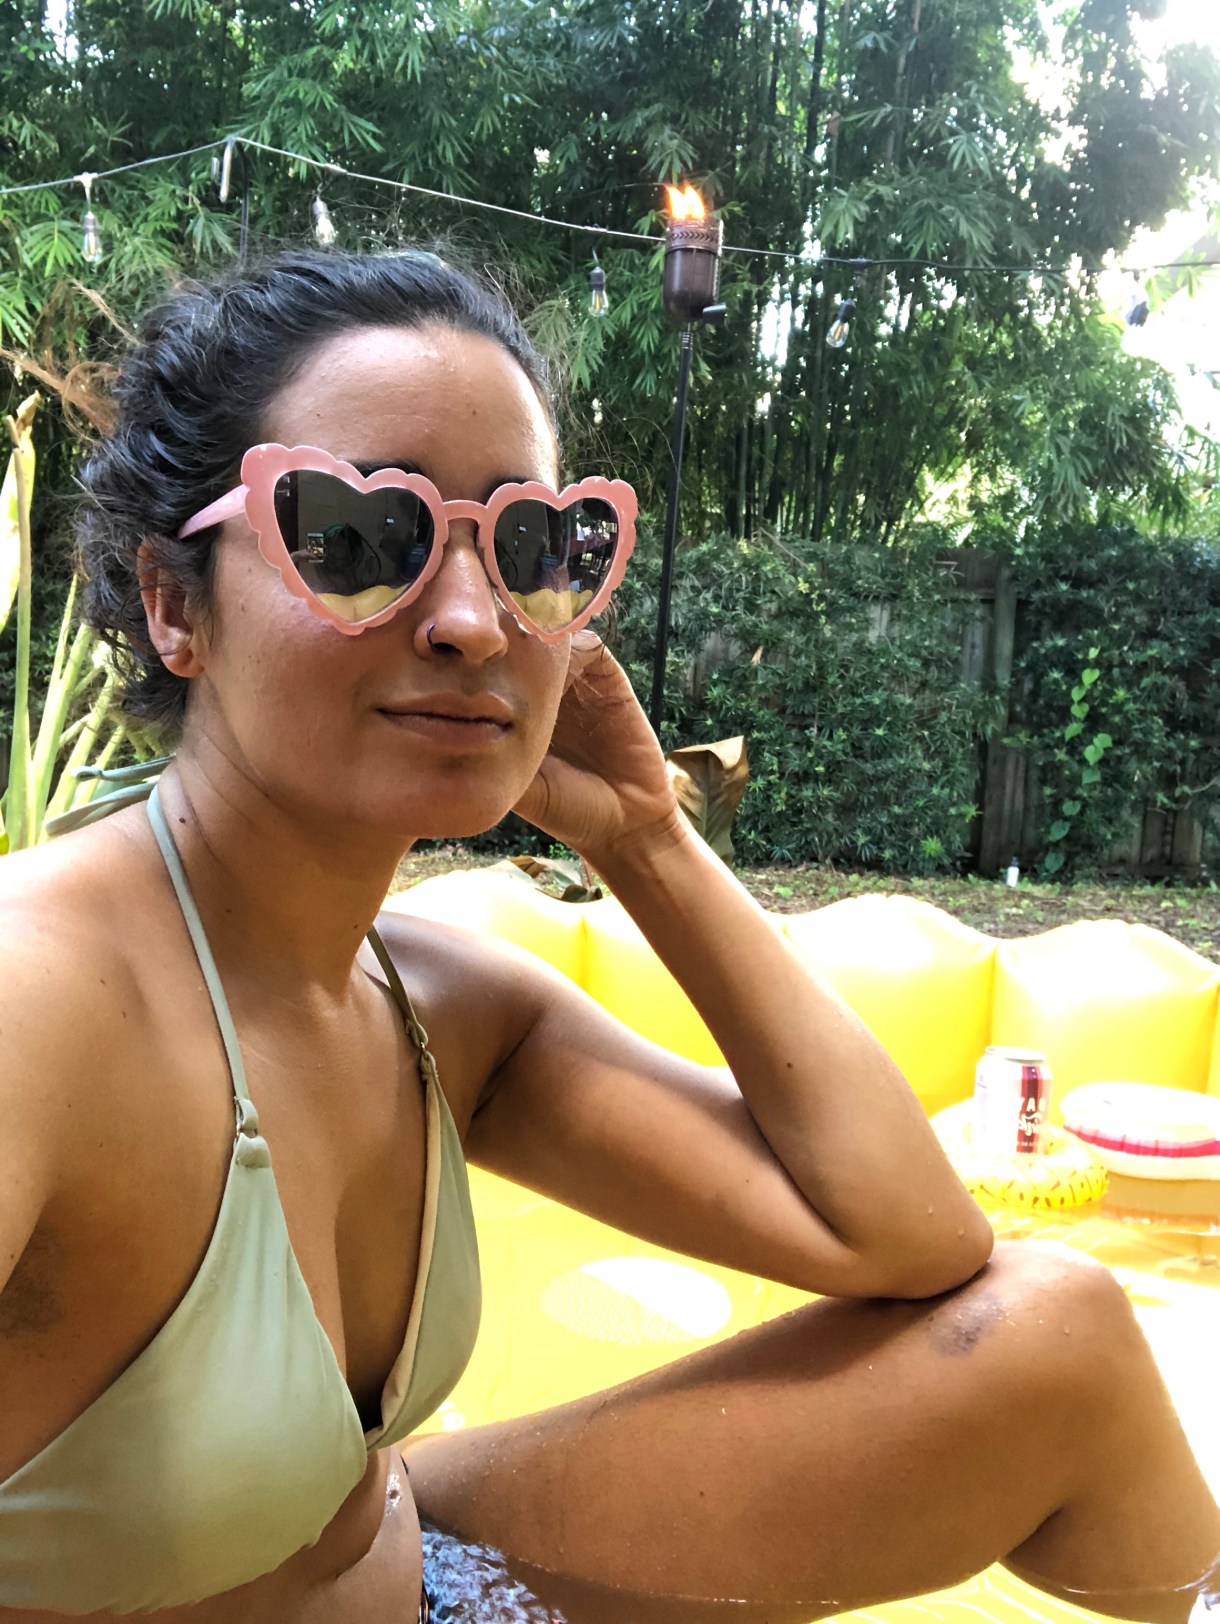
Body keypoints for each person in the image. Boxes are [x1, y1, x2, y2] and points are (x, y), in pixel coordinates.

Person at [0, 248, 1214, 1624]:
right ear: (174, 604)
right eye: (357, 536)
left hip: (425, 1573)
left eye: (529, 547)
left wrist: (645, 837)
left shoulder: (434, 1010)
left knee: (1064, 1343)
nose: (470, 620)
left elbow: (909, 1238)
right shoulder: (38, 1001)